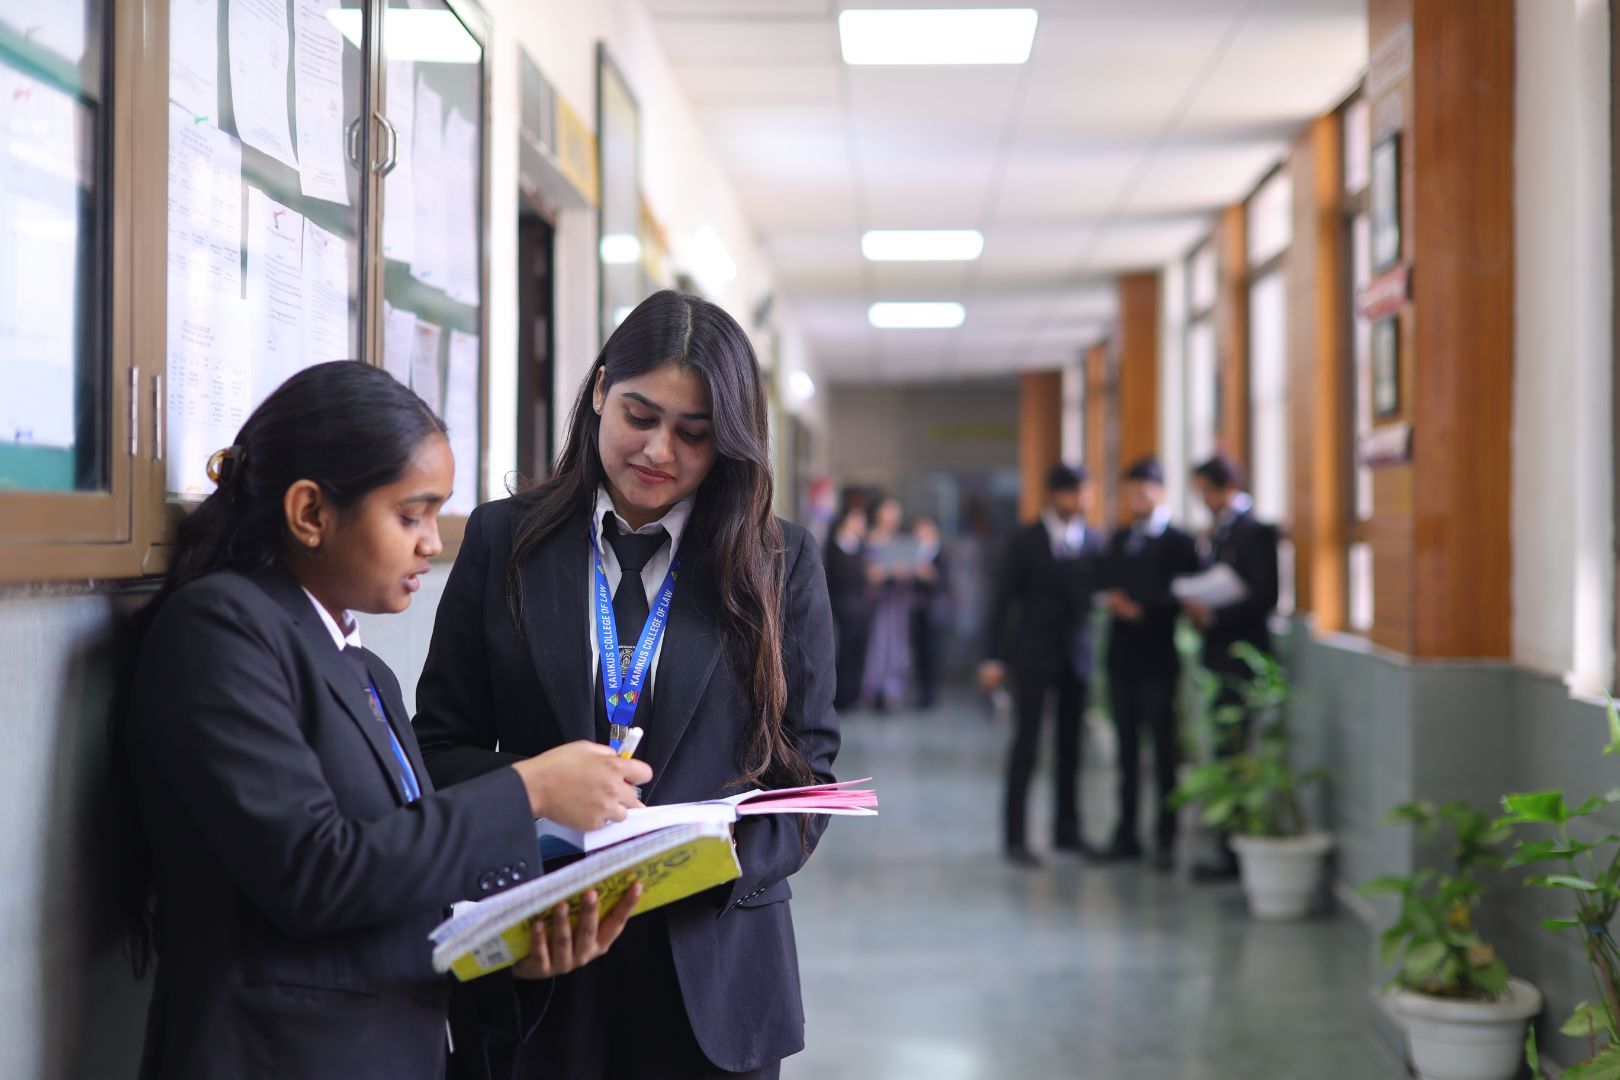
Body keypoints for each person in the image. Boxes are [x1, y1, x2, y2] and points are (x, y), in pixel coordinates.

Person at [120, 361, 650, 1080]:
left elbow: (399, 872)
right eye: (410, 515)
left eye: (436, 515)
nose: (431, 543)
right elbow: (313, 872)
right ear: (310, 514)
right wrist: (529, 789)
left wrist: (508, 954)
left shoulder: (365, 667)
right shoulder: (219, 629)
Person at [412, 291, 840, 1080]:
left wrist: (714, 861)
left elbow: (808, 773)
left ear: (730, 442)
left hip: (712, 969)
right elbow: (436, 746)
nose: (657, 450)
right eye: (639, 416)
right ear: (602, 389)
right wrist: (540, 789)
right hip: (539, 953)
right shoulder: (505, 539)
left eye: (694, 433)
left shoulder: (777, 563)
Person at [980, 464, 1105, 868]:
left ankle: (1067, 830)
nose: (1082, 500)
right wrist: (993, 657)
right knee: (1027, 744)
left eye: (1086, 492)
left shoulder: (1094, 541)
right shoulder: (1025, 540)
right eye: (1075, 492)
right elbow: (1002, 601)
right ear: (1055, 494)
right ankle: (1015, 836)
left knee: (1071, 746)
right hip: (1033, 654)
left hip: (1076, 656)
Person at [1099, 457, 1201, 872]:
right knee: (1125, 751)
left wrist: (1143, 610)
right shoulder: (1119, 538)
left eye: (1144, 491)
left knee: (1163, 752)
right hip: (1122, 658)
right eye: (1131, 492)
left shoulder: (1180, 543)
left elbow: (1188, 595)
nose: (1137, 499)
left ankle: (1166, 839)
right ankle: (1126, 833)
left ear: (1161, 493)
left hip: (1158, 657)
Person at [1183, 454, 1281, 881]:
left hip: (1243, 656)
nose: (1202, 500)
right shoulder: (1219, 531)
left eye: (1205, 491)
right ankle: (1226, 846)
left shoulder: (1254, 531)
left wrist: (1215, 615)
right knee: (1225, 749)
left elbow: (1265, 594)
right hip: (1220, 654)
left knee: (1238, 751)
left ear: (1226, 488)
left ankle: (1234, 851)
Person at [859, 496, 914, 711]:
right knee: (877, 645)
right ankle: (871, 690)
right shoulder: (871, 538)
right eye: (889, 511)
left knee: (897, 645)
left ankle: (893, 691)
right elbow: (868, 573)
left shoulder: (900, 540)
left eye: (896, 512)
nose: (893, 517)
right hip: (878, 602)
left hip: (897, 602)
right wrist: (890, 571)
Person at [823, 500, 872, 711]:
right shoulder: (833, 546)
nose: (861, 523)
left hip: (861, 607)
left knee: (858, 653)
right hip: (841, 605)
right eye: (857, 519)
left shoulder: (862, 546)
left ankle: (853, 695)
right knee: (841, 653)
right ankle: (841, 696)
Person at [909, 516, 950, 710]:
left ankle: (930, 693)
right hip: (917, 610)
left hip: (934, 612)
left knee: (932, 654)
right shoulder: (915, 553)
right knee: (919, 653)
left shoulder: (942, 553)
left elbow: (945, 581)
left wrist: (928, 574)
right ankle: (922, 692)